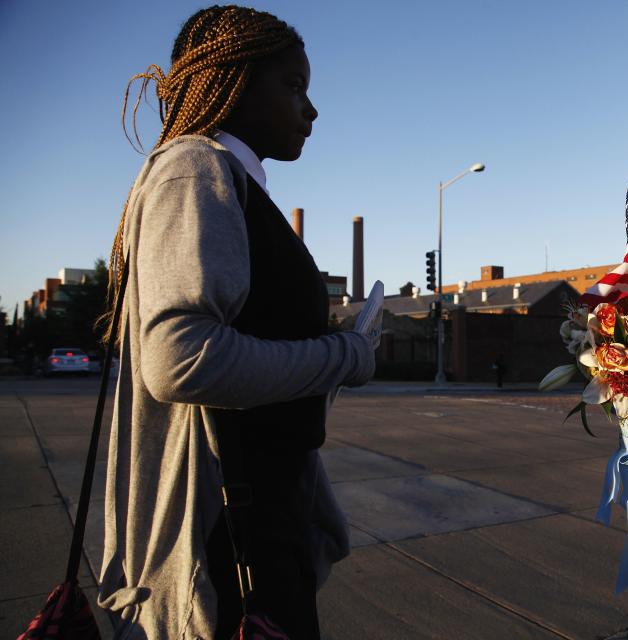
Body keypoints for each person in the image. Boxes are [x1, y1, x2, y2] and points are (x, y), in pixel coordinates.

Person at [97, 6, 377, 639]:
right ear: (235, 81)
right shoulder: (195, 168)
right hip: (227, 542)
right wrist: (347, 356)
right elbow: (182, 357)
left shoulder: (233, 185)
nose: (311, 110)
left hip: (261, 519)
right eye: (294, 86)